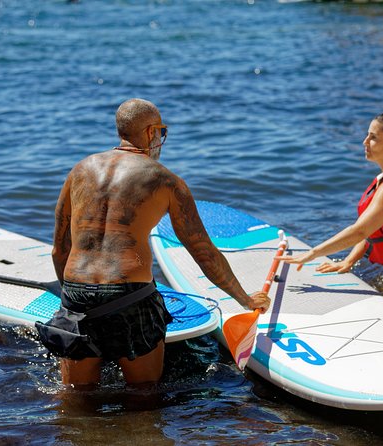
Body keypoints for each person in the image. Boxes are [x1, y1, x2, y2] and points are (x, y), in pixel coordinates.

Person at [49, 98, 270, 387]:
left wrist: (73, 299)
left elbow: (59, 249)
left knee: (77, 397)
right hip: (130, 298)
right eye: (162, 133)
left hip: (77, 294)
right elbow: (203, 252)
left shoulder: (80, 170)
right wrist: (246, 299)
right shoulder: (165, 181)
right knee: (144, 396)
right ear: (152, 132)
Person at [277, 112, 383, 303]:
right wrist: (350, 260)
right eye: (367, 135)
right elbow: (373, 228)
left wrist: (312, 253)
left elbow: (360, 231)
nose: (365, 142)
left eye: (373, 137)